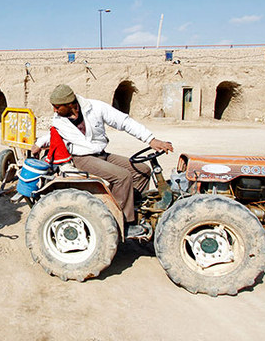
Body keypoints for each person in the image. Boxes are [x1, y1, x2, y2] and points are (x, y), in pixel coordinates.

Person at [31, 84, 173, 237]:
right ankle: (122, 222)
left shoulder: (95, 108)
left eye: (57, 107)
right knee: (123, 176)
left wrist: (151, 140)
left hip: (101, 153)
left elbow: (124, 122)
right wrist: (39, 144)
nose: (55, 110)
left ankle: (135, 209)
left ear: (70, 104)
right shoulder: (59, 120)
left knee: (142, 170)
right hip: (82, 158)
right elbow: (53, 136)